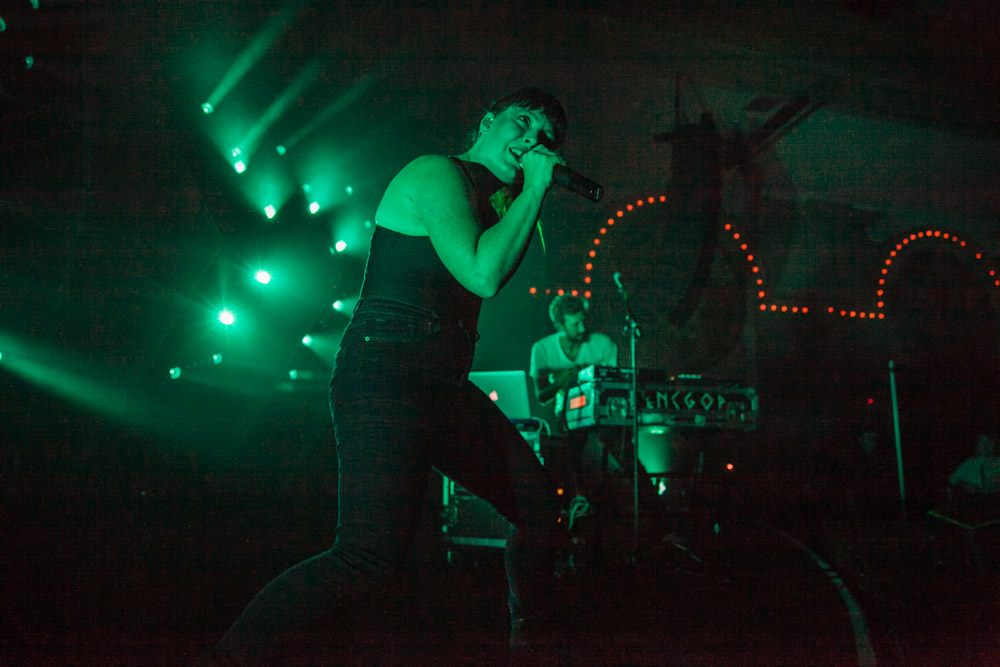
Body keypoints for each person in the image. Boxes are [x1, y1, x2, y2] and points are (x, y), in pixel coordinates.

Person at [202, 88, 569, 664]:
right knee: (365, 559)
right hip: (387, 372)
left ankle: (532, 645)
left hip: (441, 381)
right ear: (487, 121)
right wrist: (537, 190)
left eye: (545, 137)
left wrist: (528, 195)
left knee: (541, 510)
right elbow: (482, 273)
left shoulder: (496, 202)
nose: (532, 140)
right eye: (522, 122)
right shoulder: (436, 172)